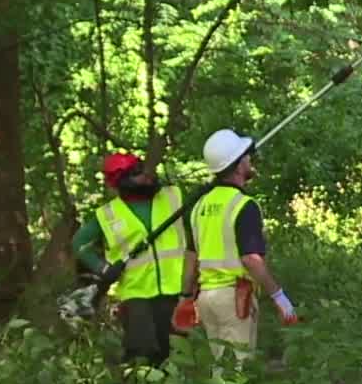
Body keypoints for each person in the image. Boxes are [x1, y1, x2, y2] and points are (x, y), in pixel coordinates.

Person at [181, 129, 297, 368]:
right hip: (234, 300)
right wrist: (278, 296)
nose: (250, 160)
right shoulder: (244, 205)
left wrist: (184, 297)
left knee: (221, 368)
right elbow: (251, 259)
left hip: (206, 300)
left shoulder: (199, 205)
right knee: (237, 373)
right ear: (237, 165)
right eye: (246, 157)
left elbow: (191, 256)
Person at [72, 152, 187, 367]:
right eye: (138, 173)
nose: (147, 176)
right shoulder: (108, 214)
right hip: (136, 294)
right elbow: (79, 244)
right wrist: (103, 268)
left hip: (176, 290)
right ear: (121, 181)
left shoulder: (173, 196)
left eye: (144, 169)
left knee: (174, 354)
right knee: (141, 353)